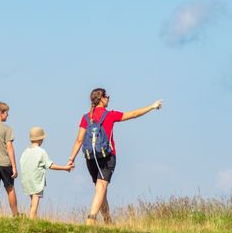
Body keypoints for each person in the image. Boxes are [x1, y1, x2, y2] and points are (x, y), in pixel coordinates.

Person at [67, 88, 162, 225]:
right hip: (107, 156)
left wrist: (71, 159)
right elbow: (133, 114)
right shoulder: (110, 115)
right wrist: (151, 107)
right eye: (107, 97)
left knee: (101, 190)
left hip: (90, 158)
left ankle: (107, 220)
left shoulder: (86, 117)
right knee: (102, 188)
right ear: (102, 98)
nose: (108, 99)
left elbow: (79, 140)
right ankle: (91, 219)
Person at [20, 127, 73, 219]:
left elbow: (22, 164)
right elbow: (50, 165)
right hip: (36, 181)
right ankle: (32, 221)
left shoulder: (25, 151)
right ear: (40, 139)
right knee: (35, 202)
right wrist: (65, 168)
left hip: (26, 180)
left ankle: (33, 219)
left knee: (32, 202)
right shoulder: (41, 152)